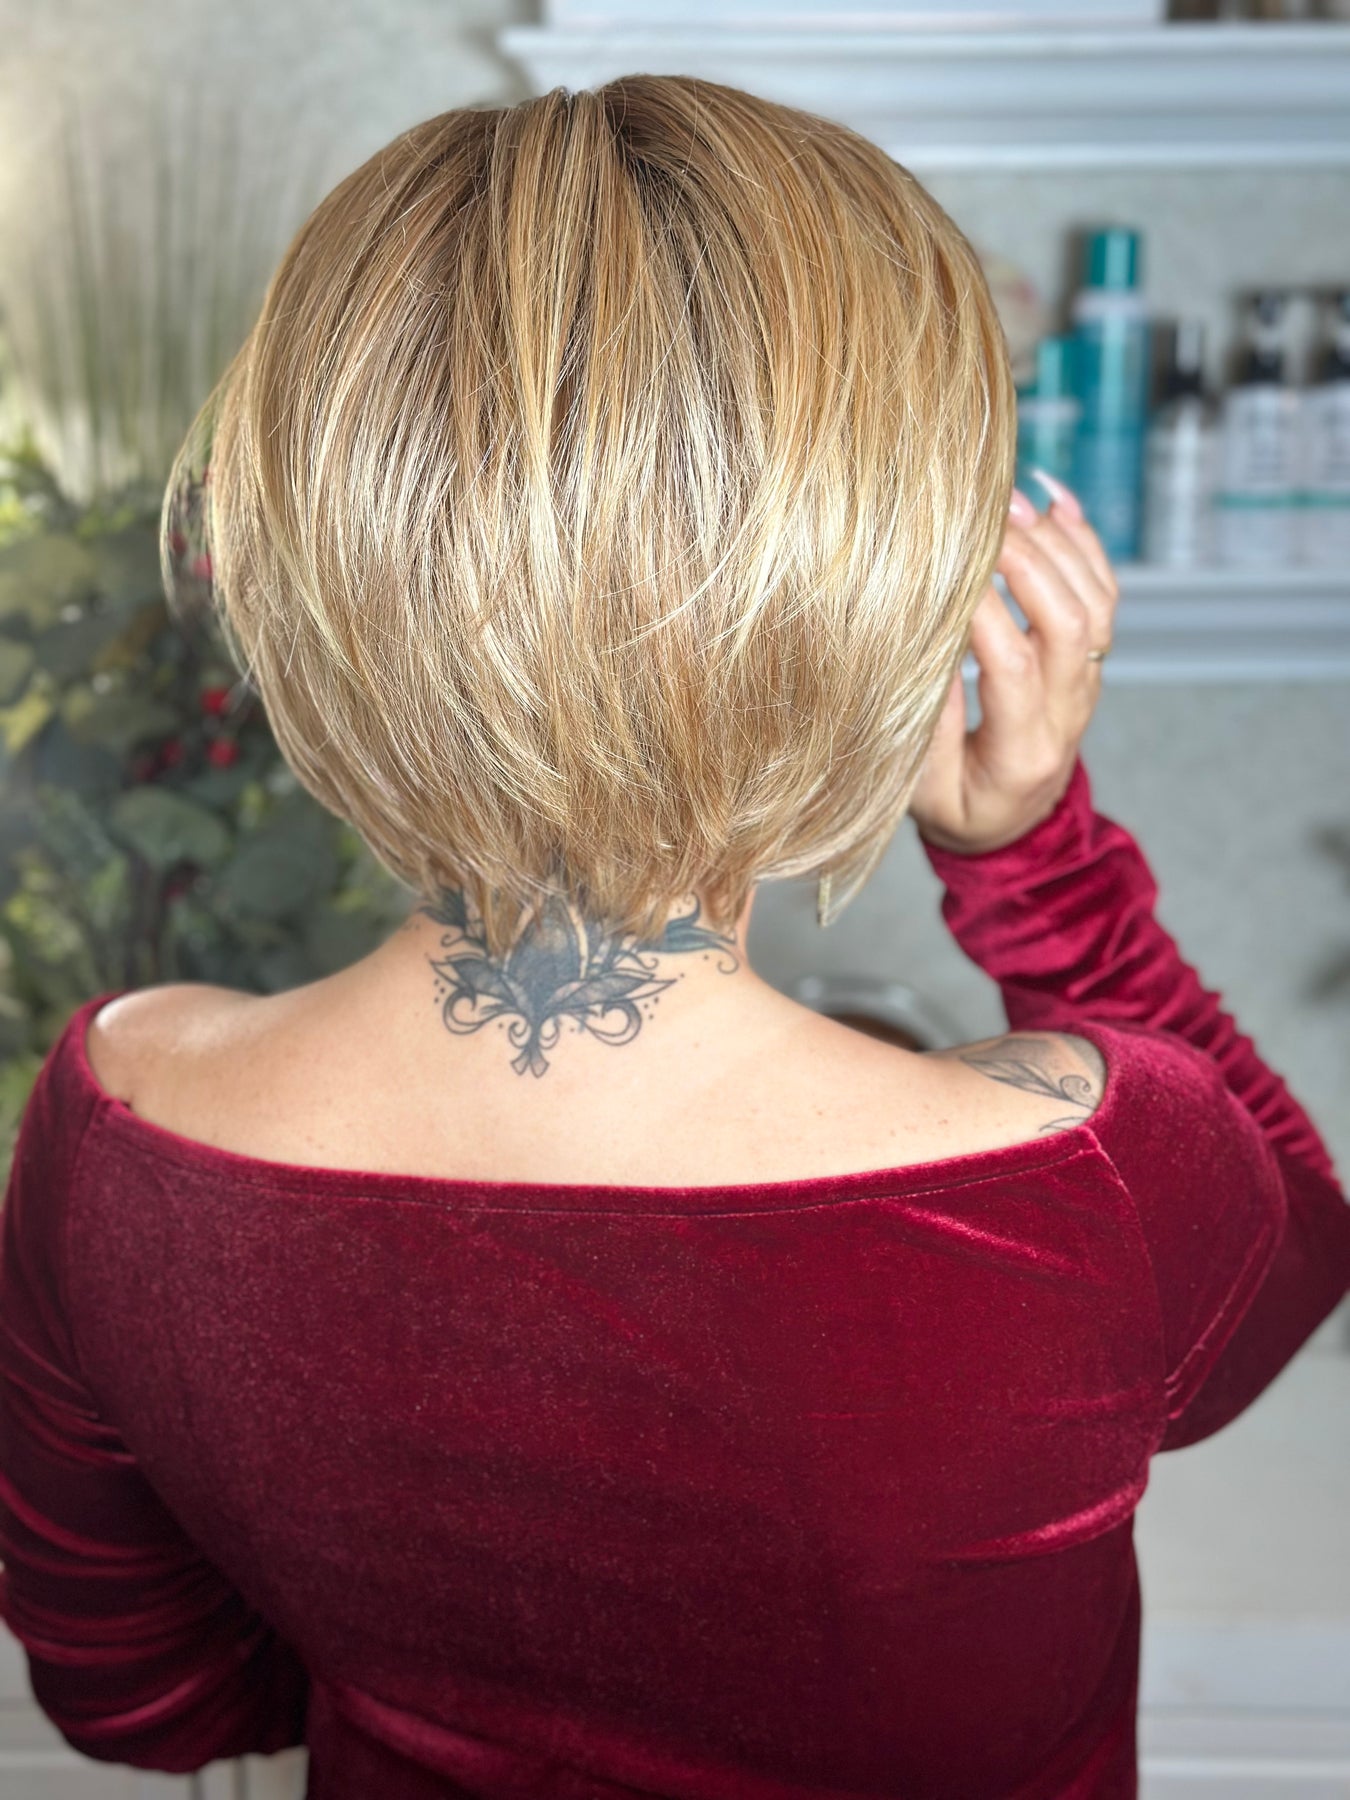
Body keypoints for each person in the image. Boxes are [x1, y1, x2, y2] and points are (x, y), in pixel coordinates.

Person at [0, 75, 1346, 1800]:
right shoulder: (1081, 1169)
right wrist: (1032, 858)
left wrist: (442, 1660)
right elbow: (1293, 1250)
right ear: (887, 589)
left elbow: (147, 1704)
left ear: (307, 550)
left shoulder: (118, 1119)